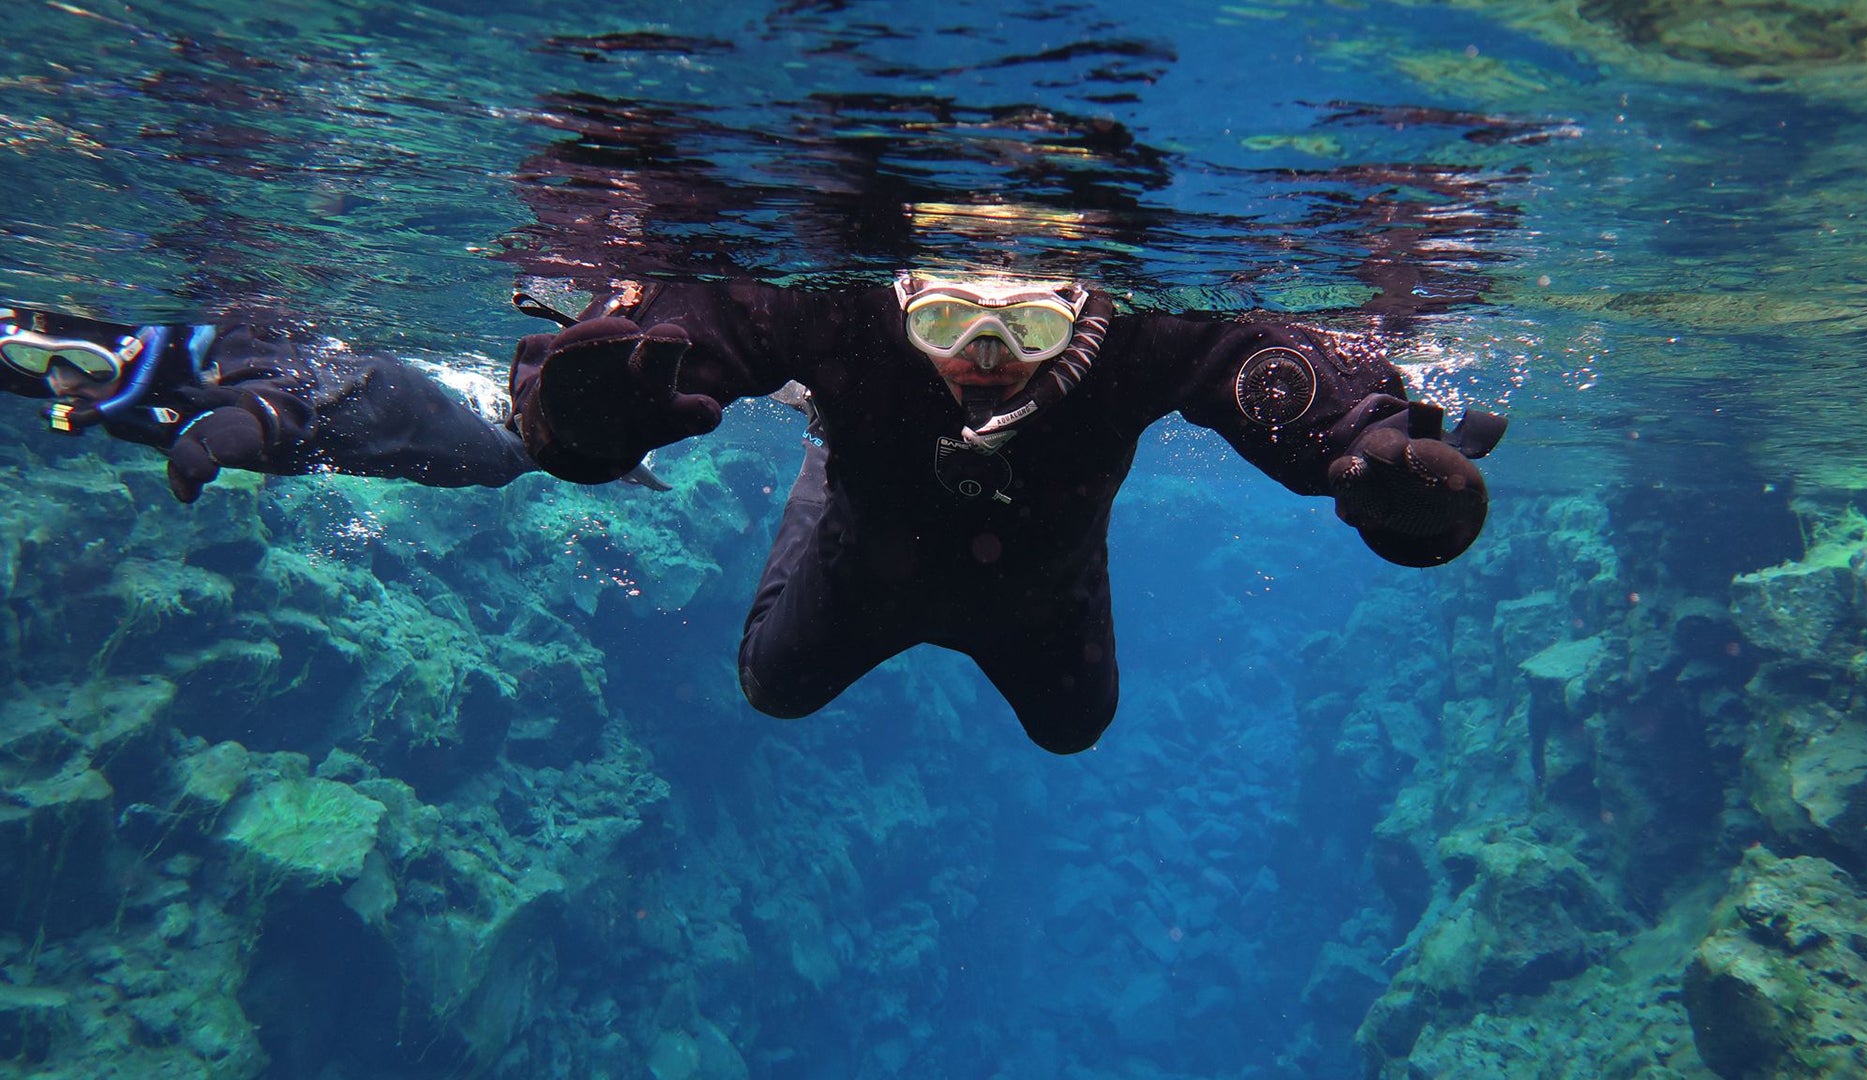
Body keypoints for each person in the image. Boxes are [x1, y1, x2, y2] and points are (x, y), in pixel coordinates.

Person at [507, 273, 1506, 753]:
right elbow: (707, 325)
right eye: (944, 319)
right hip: (866, 565)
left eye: (1027, 321)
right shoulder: (837, 305)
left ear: (1081, 303)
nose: (985, 355)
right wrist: (592, 417)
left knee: (1078, 724)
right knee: (770, 684)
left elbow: (1263, 370)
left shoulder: (1145, 331)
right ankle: (824, 464)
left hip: (1041, 594)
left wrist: (1363, 444)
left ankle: (840, 467)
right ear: (900, 292)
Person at [0, 303, 665, 500]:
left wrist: (247, 423)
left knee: (507, 457)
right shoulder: (117, 386)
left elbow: (283, 390)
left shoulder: (198, 337)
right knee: (497, 450)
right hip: (353, 428)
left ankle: (608, 435)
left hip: (365, 407)